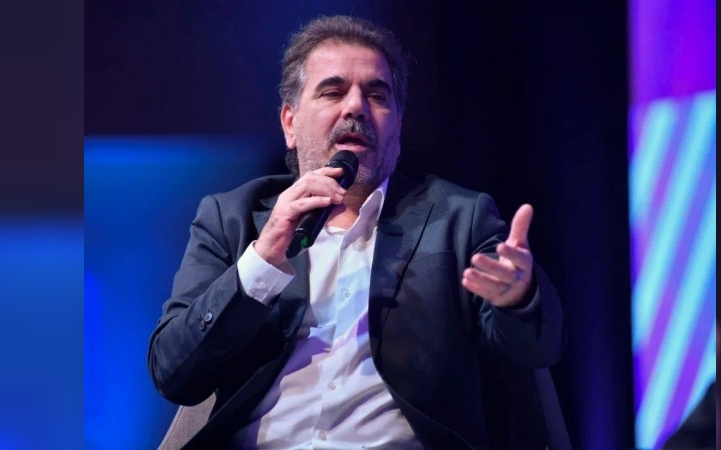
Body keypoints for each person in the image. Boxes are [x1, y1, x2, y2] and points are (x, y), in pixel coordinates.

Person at [148, 15, 568, 450]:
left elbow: (533, 350)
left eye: (376, 95)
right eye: (332, 91)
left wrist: (518, 299)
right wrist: (262, 260)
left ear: (398, 125)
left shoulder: (458, 219)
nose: (355, 107)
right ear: (290, 123)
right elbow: (174, 373)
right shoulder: (231, 218)